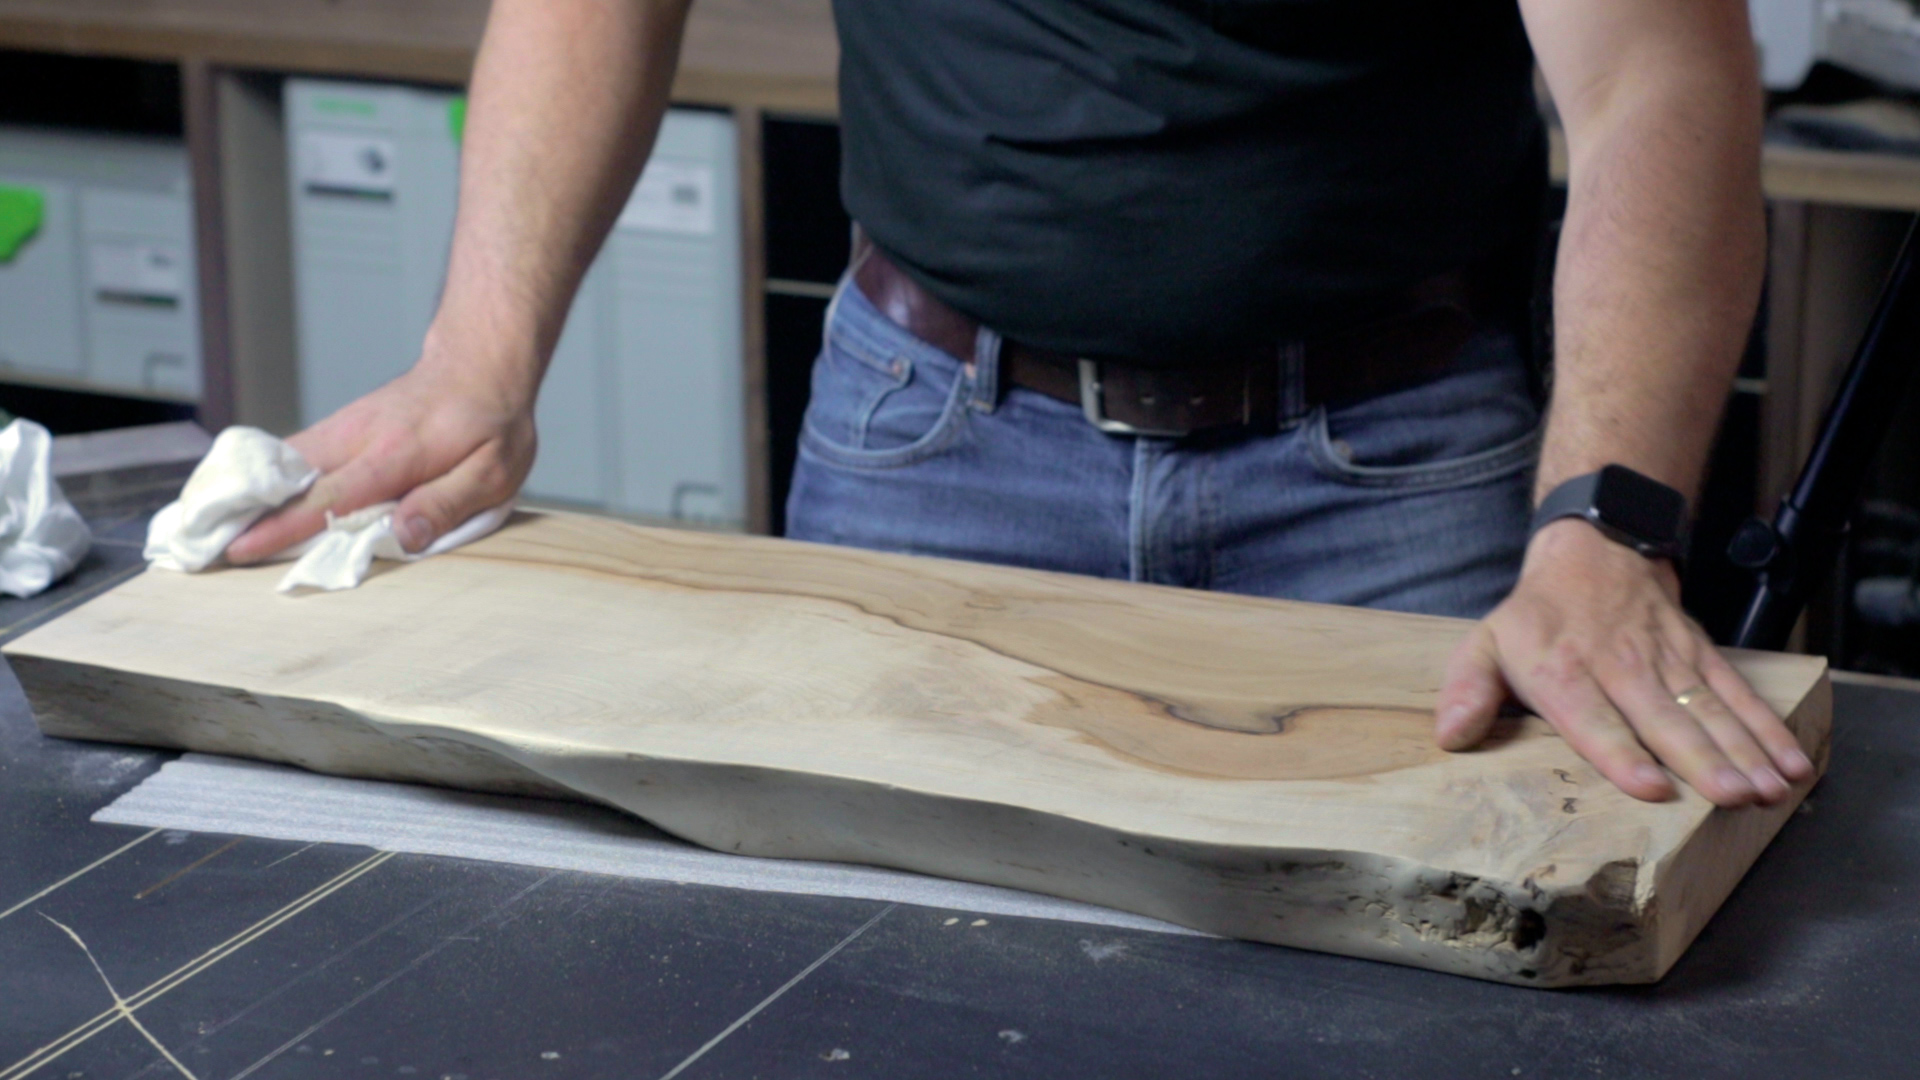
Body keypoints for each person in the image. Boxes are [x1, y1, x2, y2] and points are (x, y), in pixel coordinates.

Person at [228, 0, 1814, 809]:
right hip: (927, 442)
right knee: (877, 989)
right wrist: (478, 360)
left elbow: (1658, 72)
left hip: (1387, 464)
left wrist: (1608, 522)